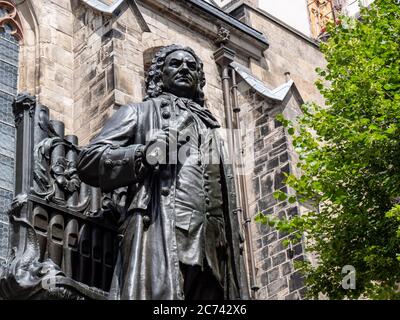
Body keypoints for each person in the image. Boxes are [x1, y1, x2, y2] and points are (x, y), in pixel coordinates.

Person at [77, 44, 249, 300]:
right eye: (176, 64)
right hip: (161, 228)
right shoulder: (138, 112)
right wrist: (144, 154)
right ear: (160, 74)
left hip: (214, 246)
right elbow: (89, 160)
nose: (184, 69)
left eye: (191, 67)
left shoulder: (213, 130)